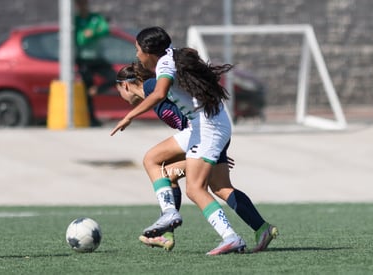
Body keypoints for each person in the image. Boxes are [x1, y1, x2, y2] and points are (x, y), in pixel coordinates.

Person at [111, 26, 277, 255]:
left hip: (207, 128)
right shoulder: (172, 57)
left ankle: (225, 236)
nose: (137, 54)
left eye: (137, 49)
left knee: (187, 183)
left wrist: (129, 116)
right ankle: (261, 228)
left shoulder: (161, 71)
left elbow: (162, 97)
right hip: (209, 127)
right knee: (215, 185)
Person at [74, 0, 117, 127]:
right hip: (83, 59)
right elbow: (80, 39)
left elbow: (105, 29)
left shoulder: (95, 17)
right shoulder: (75, 20)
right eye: (80, 4)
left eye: (84, 3)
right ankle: (92, 119)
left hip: (97, 58)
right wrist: (92, 31)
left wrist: (90, 32)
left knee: (114, 77)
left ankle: (97, 90)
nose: (83, 6)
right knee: (86, 90)